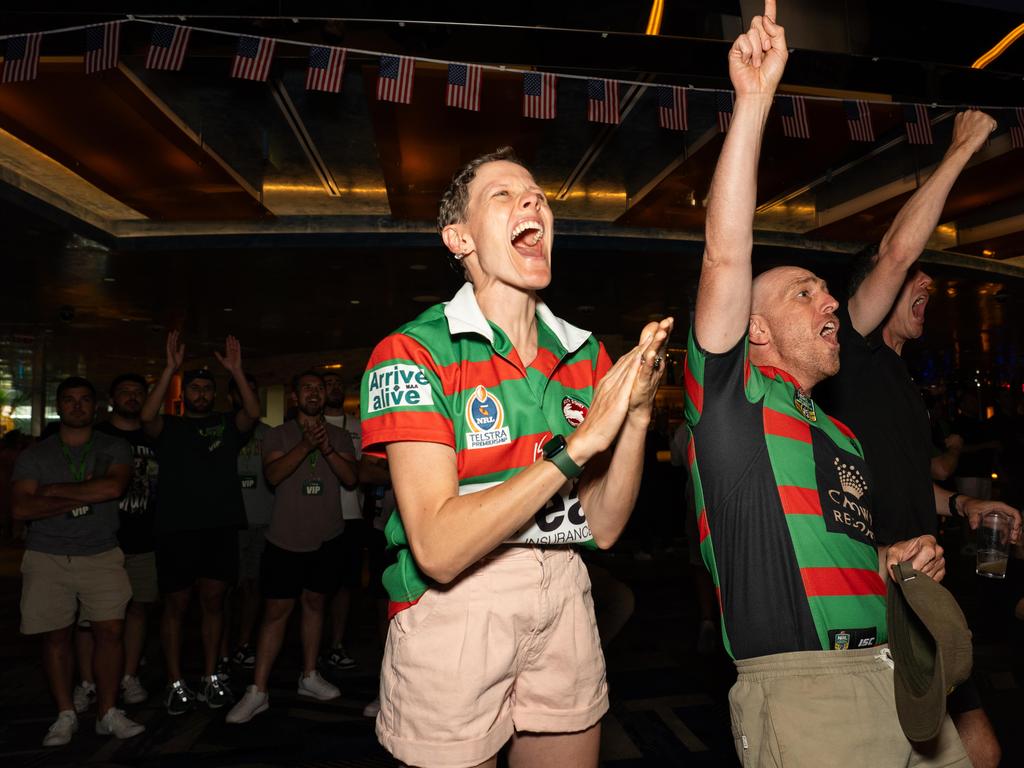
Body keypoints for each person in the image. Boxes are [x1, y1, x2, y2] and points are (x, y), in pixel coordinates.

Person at [683, 3, 969, 764]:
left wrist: (892, 566)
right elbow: (722, 255)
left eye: (825, 291)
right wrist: (753, 101)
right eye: (804, 292)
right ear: (757, 330)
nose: (830, 304)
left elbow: (846, 559)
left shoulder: (838, 430)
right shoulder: (731, 407)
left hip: (893, 675)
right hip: (809, 692)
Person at [360, 145, 671, 767]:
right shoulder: (412, 352)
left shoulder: (586, 355)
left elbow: (603, 528)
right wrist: (577, 448)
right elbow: (440, 552)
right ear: (459, 238)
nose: (532, 201)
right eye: (502, 195)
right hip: (455, 608)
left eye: (536, 195)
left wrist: (634, 417)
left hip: (566, 588)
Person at [815, 109, 1021, 768]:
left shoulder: (899, 381)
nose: (925, 279)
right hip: (875, 588)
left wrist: (961, 506)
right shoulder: (854, 348)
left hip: (927, 588)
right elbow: (898, 249)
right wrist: (961, 148)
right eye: (912, 278)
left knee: (979, 745)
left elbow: (903, 480)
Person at [11, 377, 145, 745]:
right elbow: (22, 507)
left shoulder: (114, 446)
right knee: (56, 636)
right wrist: (85, 492)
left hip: (101, 552)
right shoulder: (35, 455)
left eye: (85, 400)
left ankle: (107, 712)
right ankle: (66, 713)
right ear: (59, 406)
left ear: (96, 407)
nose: (77, 406)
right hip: (46, 555)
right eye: (69, 400)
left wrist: (51, 492)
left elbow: (113, 488)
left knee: (111, 633)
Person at [227, 371, 358, 723]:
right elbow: (273, 475)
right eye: (307, 389)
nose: (314, 393)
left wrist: (327, 448)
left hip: (327, 536)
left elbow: (350, 478)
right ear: (295, 397)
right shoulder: (277, 434)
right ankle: (258, 690)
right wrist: (306, 445)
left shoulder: (341, 435)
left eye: (319, 388)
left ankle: (309, 675)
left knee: (316, 604)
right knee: (275, 613)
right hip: (284, 539)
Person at [141, 332, 261, 714]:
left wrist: (237, 371)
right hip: (176, 529)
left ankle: (211, 678)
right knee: (175, 605)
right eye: (195, 389)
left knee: (214, 602)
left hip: (220, 527)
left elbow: (253, 414)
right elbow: (146, 417)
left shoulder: (227, 424)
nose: (202, 394)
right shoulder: (170, 427)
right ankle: (176, 682)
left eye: (208, 389)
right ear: (184, 394)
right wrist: (169, 370)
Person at [228, 373, 275, 671]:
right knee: (223, 589)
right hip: (228, 522)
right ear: (232, 396)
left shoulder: (270, 434)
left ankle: (244, 644)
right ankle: (221, 648)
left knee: (252, 586)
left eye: (254, 392)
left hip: (263, 522)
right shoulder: (221, 431)